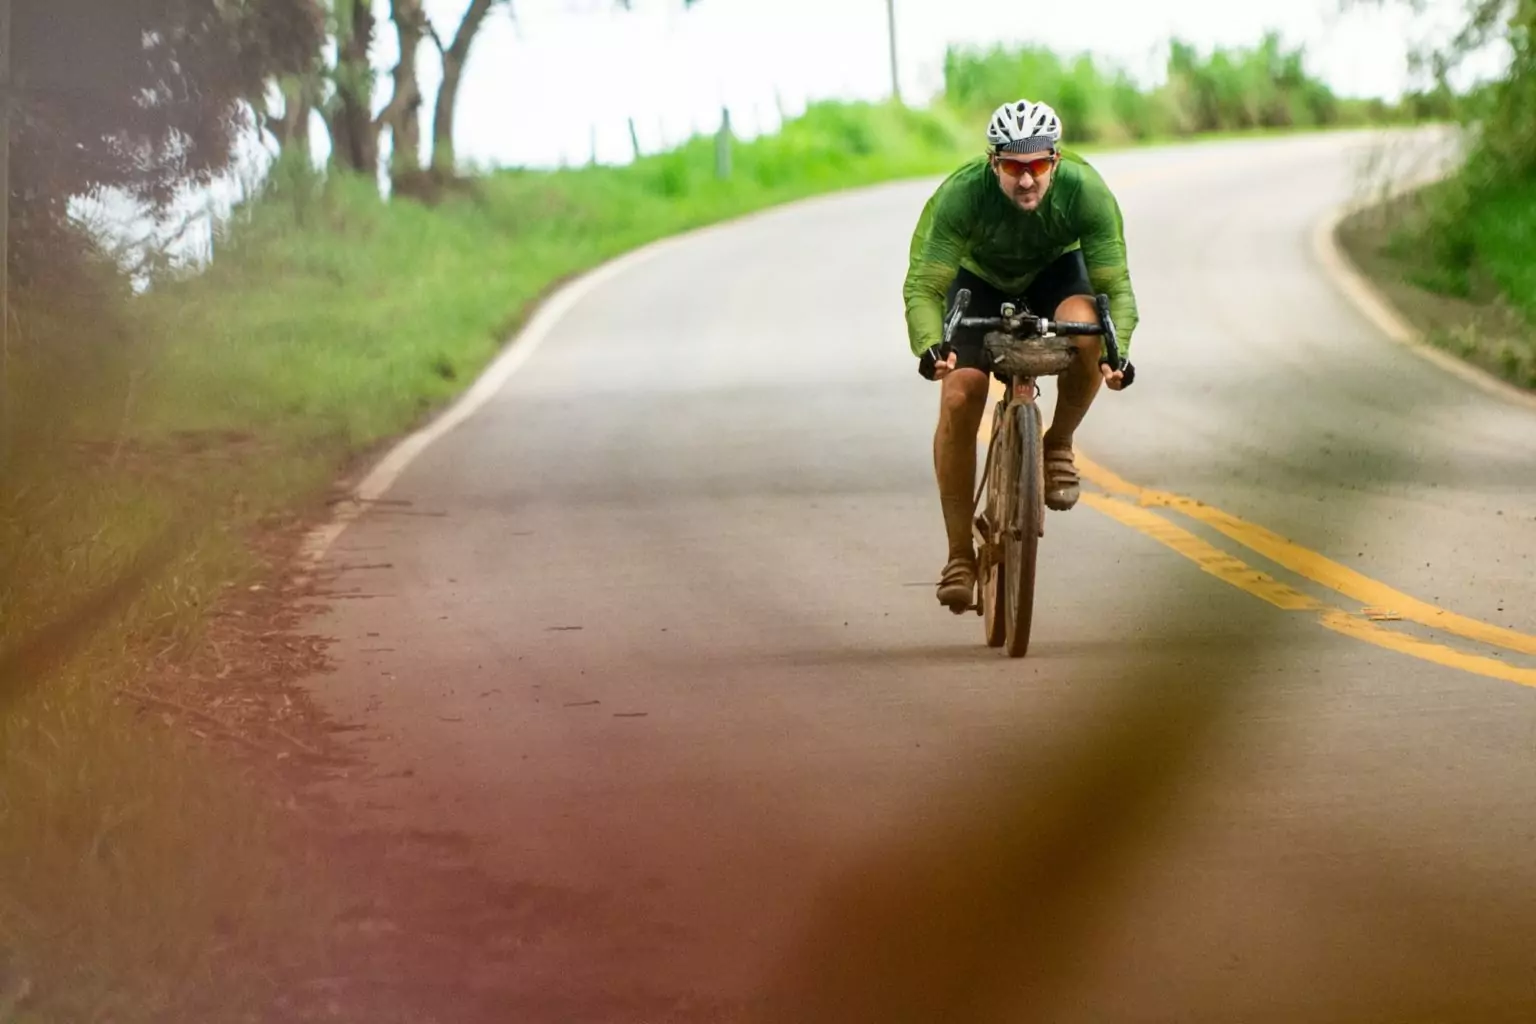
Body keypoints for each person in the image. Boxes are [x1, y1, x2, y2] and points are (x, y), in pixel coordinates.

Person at [903, 99, 1140, 612]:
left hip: (1056, 272)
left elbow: (1115, 287)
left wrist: (1117, 351)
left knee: (1088, 328)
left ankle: (1058, 443)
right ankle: (959, 555)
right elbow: (924, 285)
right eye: (1013, 167)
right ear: (994, 164)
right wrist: (929, 345)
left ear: (1056, 160)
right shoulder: (962, 195)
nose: (1027, 180)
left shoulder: (1085, 191)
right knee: (961, 393)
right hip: (977, 281)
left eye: (1037, 166)